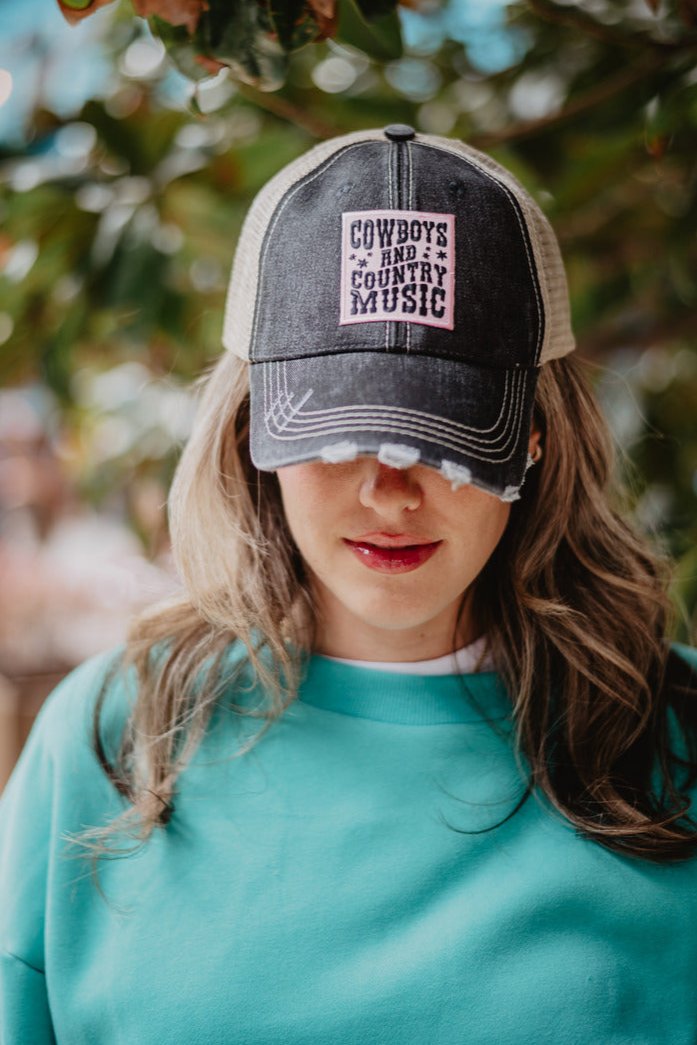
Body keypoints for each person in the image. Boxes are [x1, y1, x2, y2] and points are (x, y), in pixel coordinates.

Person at [1, 124, 696, 1045]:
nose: (388, 490)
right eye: (336, 427)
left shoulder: (674, 736)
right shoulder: (110, 736)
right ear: (251, 432)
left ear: (533, 436)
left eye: (443, 434)